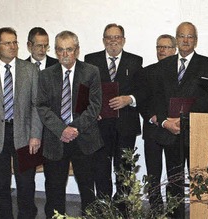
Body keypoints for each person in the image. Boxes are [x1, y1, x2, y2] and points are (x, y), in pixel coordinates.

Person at [0, 27, 42, 219]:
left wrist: (36, 134)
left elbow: (37, 105)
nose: (12, 46)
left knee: (26, 183)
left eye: (15, 42)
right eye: (7, 43)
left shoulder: (30, 70)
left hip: (25, 134)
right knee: (1, 185)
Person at [151, 21, 208, 218]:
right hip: (170, 133)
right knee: (174, 181)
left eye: (190, 36)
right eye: (181, 36)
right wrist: (166, 122)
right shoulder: (164, 65)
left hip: (194, 130)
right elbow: (157, 97)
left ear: (195, 40)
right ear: (176, 39)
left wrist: (183, 121)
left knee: (199, 180)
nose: (185, 40)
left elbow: (206, 99)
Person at [37, 30, 102, 217]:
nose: (64, 54)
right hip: (55, 140)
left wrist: (74, 128)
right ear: (55, 51)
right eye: (60, 50)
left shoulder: (91, 72)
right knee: (54, 190)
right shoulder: (46, 75)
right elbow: (41, 106)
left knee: (88, 189)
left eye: (69, 49)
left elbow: (94, 105)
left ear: (77, 50)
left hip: (84, 139)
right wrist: (62, 129)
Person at [84, 23, 144, 199]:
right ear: (103, 40)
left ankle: (123, 209)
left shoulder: (135, 61)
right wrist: (92, 111)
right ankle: (104, 208)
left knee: (124, 170)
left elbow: (142, 90)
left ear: (123, 40)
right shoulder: (91, 60)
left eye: (117, 37)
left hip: (126, 125)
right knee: (100, 169)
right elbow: (83, 91)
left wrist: (129, 99)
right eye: (109, 38)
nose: (113, 41)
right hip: (99, 124)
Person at [140, 34, 177, 210]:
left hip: (173, 130)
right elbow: (141, 100)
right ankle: (155, 207)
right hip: (153, 129)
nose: (162, 50)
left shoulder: (180, 73)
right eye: (159, 47)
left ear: (174, 50)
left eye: (166, 47)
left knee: (174, 174)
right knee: (153, 173)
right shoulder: (146, 72)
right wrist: (152, 117)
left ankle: (172, 207)